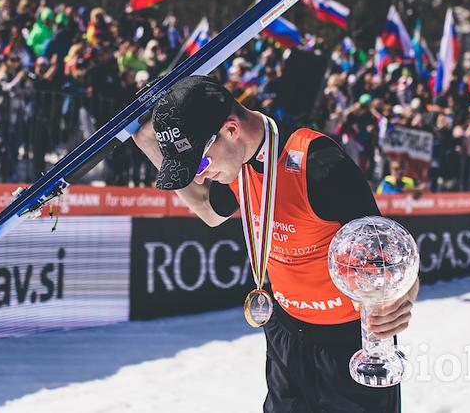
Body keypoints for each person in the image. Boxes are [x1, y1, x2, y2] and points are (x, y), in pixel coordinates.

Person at [133, 75, 418, 413]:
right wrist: (145, 138)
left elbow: (389, 252)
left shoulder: (320, 165)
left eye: (201, 163)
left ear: (231, 130)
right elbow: (208, 211)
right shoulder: (234, 165)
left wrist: (402, 300)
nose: (199, 175)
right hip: (285, 333)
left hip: (348, 342)